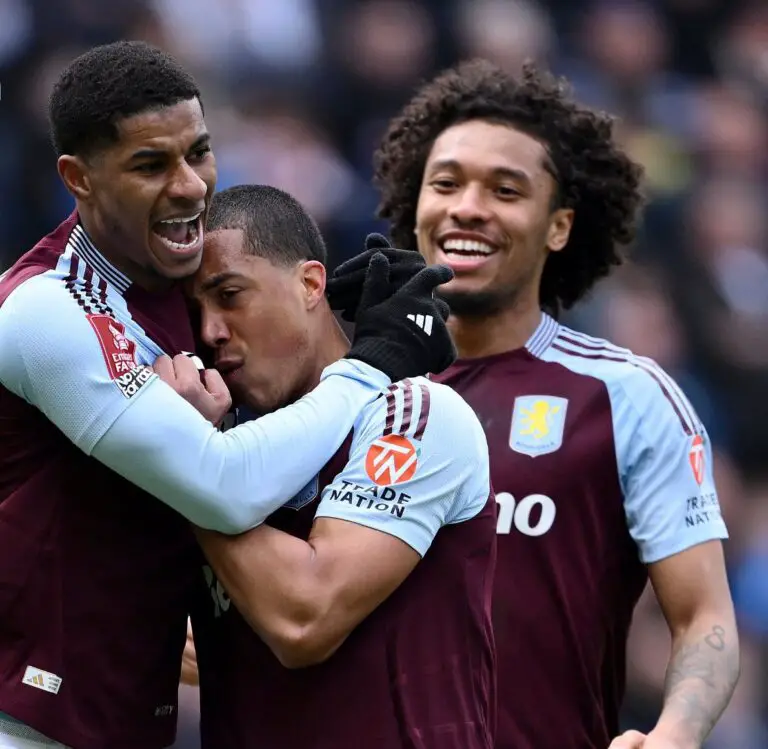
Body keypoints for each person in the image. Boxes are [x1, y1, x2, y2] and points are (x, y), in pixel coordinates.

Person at [0, 42, 454, 749]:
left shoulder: (171, 284)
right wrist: (373, 361)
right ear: (78, 179)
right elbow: (221, 485)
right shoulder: (45, 311)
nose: (189, 187)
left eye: (200, 152)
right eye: (150, 165)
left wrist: (316, 315)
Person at [354, 58, 739, 749]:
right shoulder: (351, 392)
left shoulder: (625, 396)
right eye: (446, 183)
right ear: (416, 205)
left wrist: (678, 730)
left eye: (505, 190)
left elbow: (704, 616)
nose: (468, 207)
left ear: (558, 226)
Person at [167, 184, 496, 749]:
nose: (211, 331)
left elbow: (304, 619)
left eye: (230, 294)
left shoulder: (410, 412)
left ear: (310, 284)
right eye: (194, 313)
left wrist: (180, 453)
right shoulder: (217, 444)